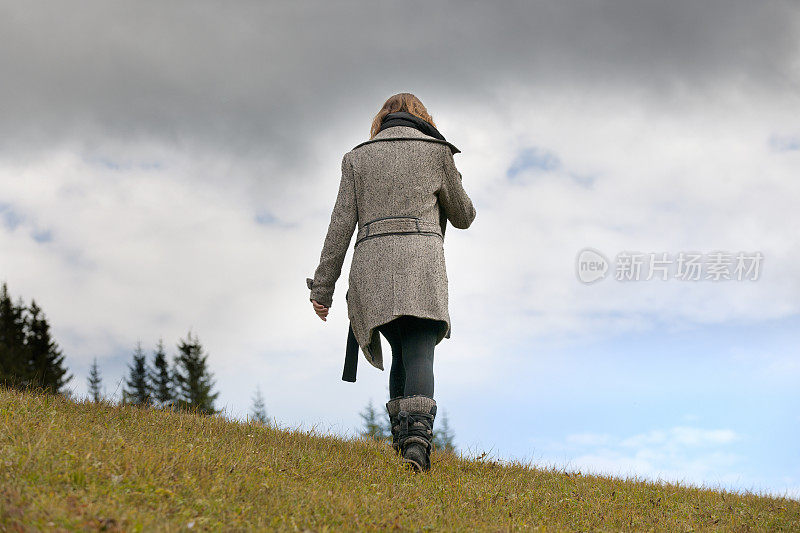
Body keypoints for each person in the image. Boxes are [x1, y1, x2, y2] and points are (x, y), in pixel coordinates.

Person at [306, 93, 476, 472]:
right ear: (422, 118)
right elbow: (464, 215)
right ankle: (417, 444)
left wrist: (323, 289)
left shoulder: (357, 158)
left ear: (381, 120)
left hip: (373, 268)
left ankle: (403, 448)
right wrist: (451, 171)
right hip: (421, 264)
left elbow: (339, 229)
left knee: (401, 349)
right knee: (418, 348)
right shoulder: (437, 152)